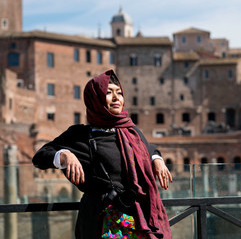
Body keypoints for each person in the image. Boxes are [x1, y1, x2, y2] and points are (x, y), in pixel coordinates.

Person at [32, 69, 173, 239]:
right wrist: (64, 155)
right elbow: (40, 156)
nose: (116, 98)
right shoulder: (80, 135)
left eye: (119, 93)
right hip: (100, 219)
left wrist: (157, 160)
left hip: (136, 218)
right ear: (95, 99)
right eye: (108, 93)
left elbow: (149, 149)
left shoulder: (132, 131)